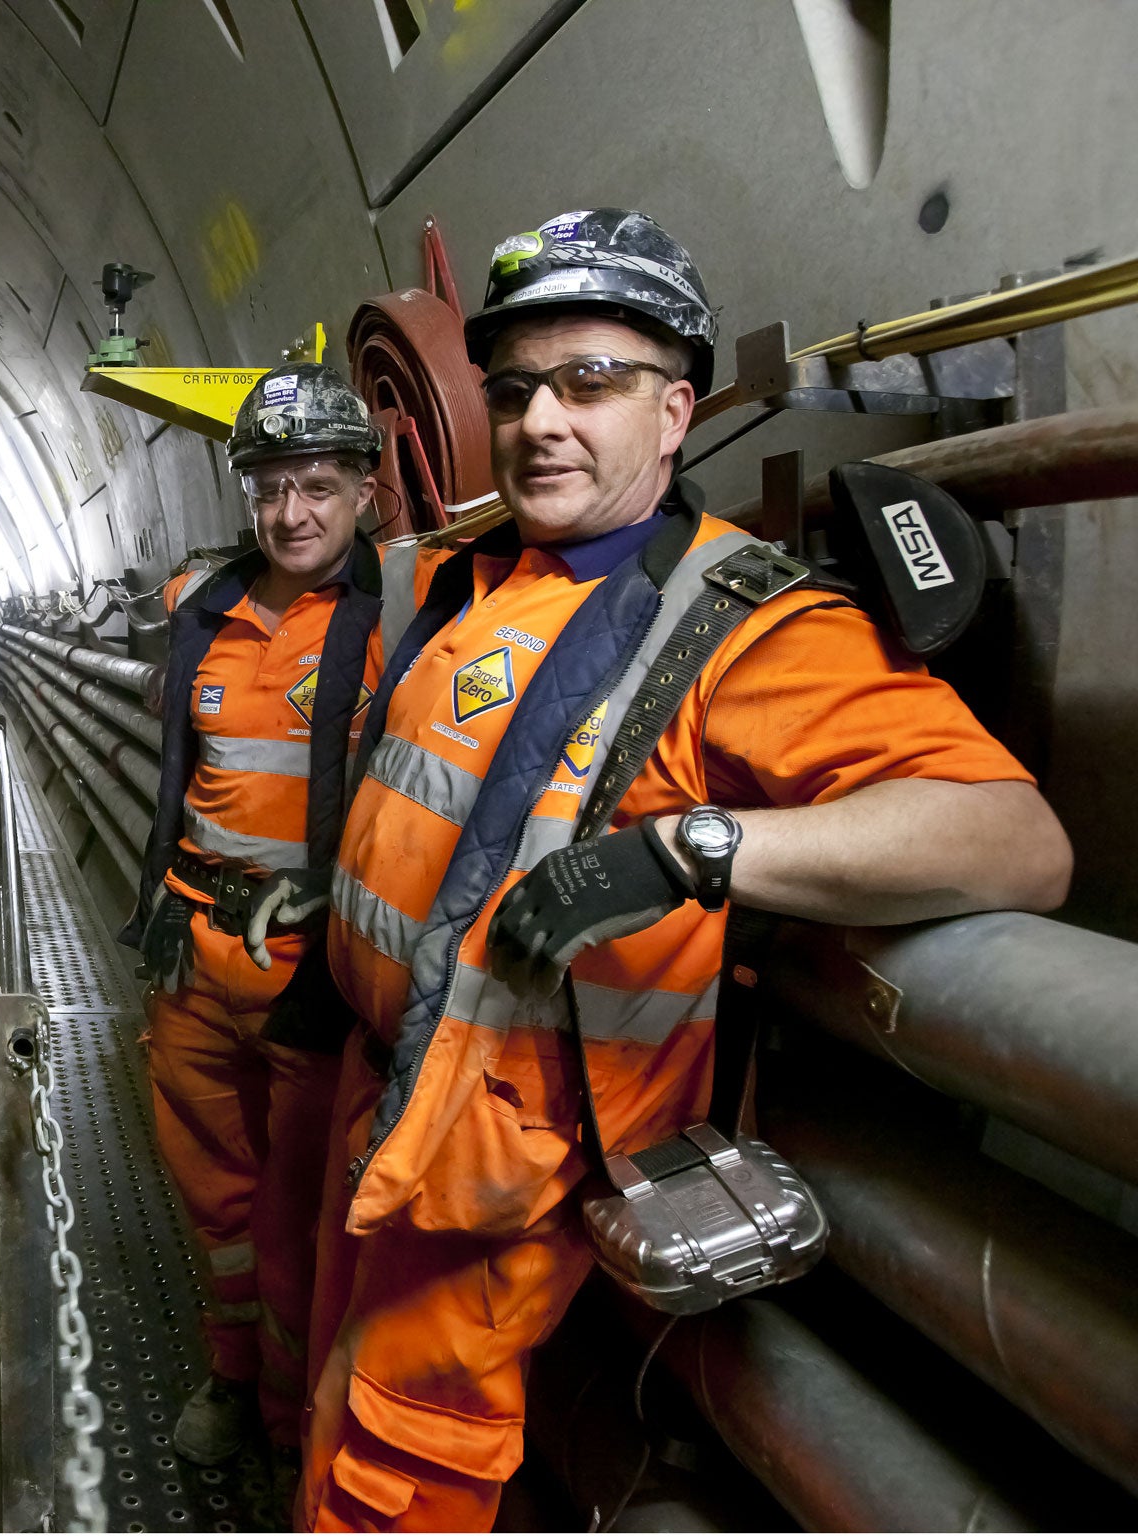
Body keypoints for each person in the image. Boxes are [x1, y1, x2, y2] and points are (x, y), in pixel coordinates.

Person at [297, 208, 1072, 1531]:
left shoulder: (738, 625)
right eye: (520, 385)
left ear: (674, 411)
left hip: (489, 1167)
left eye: (592, 382)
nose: (545, 419)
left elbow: (1013, 840)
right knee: (326, 1427)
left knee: (389, 1485)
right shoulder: (476, 581)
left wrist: (699, 849)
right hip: (376, 1102)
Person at [119, 363, 388, 1473]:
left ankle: (291, 1435)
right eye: (270, 486)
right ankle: (234, 1379)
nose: (292, 514)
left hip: (305, 970)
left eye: (318, 486)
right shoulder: (203, 611)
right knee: (213, 1202)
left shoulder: (395, 622)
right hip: (194, 954)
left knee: (294, 1224)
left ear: (365, 491)